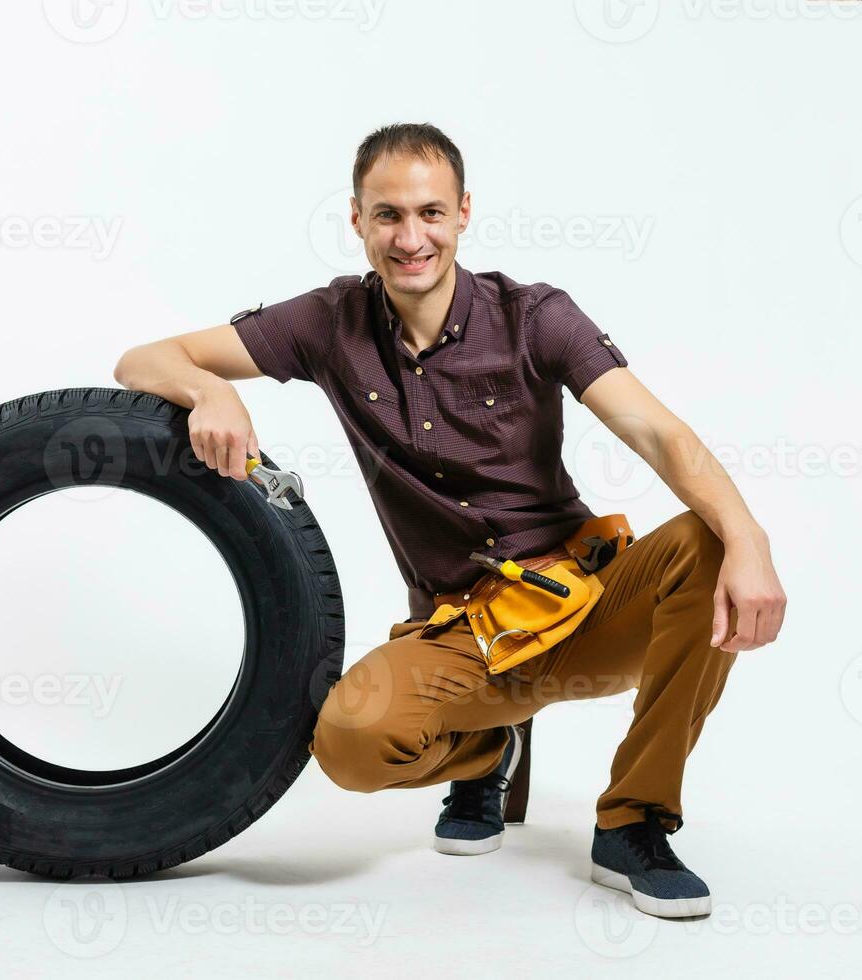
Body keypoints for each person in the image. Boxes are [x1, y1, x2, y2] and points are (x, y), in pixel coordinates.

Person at [114, 122, 786, 919]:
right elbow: (143, 358)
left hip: (582, 602)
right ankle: (487, 747)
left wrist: (751, 541)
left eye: (430, 213)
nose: (411, 238)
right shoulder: (331, 323)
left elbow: (658, 433)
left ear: (464, 212)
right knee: (349, 745)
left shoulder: (537, 316)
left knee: (708, 542)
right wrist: (213, 391)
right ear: (357, 222)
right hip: (462, 634)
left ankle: (635, 821)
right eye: (388, 215)